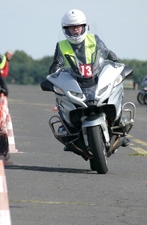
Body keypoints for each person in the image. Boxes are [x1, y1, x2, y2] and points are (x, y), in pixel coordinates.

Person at [49, 9, 129, 147]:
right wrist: (53, 77)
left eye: (78, 27)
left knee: (114, 92)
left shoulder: (94, 39)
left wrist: (114, 62)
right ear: (65, 29)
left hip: (95, 78)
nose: (75, 31)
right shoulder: (61, 46)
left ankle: (119, 127)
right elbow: (56, 65)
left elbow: (107, 54)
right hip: (75, 83)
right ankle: (70, 133)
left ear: (84, 27)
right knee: (64, 102)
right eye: (71, 28)